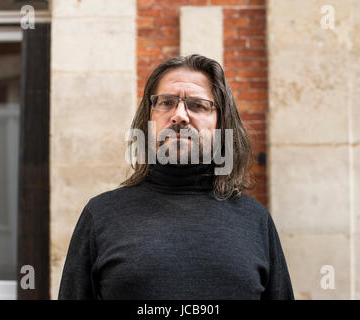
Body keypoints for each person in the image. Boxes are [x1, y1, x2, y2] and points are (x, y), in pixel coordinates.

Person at [58, 54, 294, 300]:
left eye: (197, 105)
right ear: (148, 117)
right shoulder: (101, 215)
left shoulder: (255, 220)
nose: (179, 115)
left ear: (221, 123)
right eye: (166, 102)